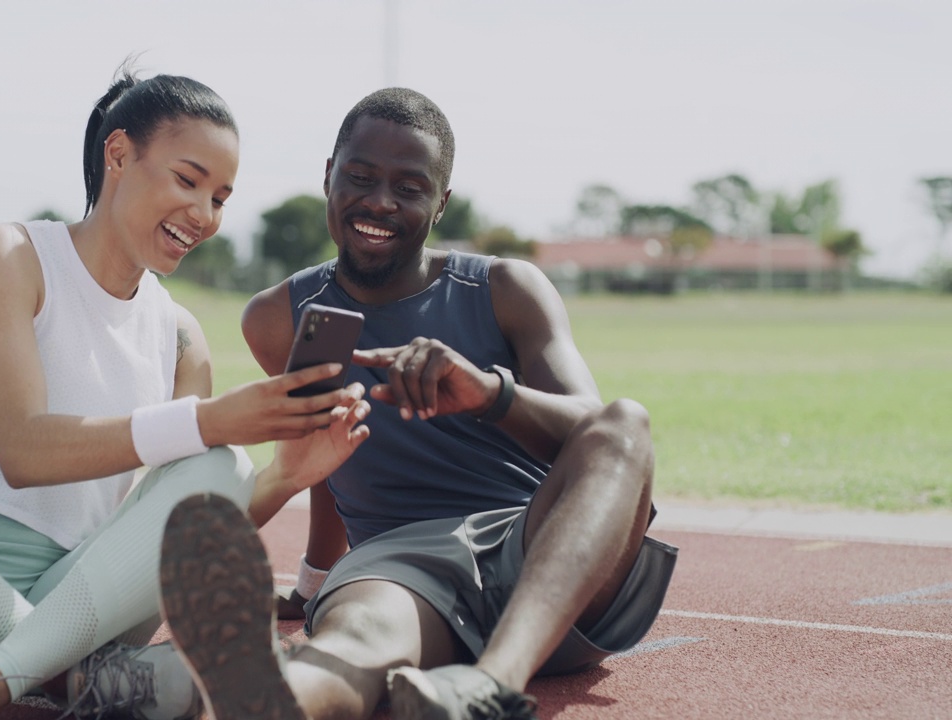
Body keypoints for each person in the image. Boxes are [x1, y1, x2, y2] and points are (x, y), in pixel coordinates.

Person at [0, 65, 369, 720]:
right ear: (118, 154)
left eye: (222, 198)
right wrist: (208, 419)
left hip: (82, 601)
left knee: (222, 465)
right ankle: (73, 678)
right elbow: (22, 450)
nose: (204, 215)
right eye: (187, 181)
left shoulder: (180, 335)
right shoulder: (5, 256)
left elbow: (184, 531)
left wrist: (287, 475)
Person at [134, 87, 679, 720]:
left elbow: (604, 443)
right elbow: (327, 458)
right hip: (398, 575)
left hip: (544, 556)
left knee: (627, 421)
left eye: (409, 187)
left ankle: (491, 687)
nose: (380, 202)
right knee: (342, 654)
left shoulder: (506, 288)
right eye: (360, 177)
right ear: (329, 177)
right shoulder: (278, 317)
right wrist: (314, 579)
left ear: (440, 202)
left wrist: (489, 394)